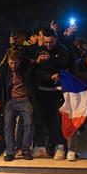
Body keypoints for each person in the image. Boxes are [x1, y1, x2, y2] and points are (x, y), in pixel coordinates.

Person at [32, 27, 70, 160]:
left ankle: (59, 147)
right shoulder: (39, 50)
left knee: (57, 120)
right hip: (42, 91)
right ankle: (40, 147)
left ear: (56, 39)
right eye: (46, 42)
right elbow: (36, 71)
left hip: (58, 92)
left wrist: (50, 60)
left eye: (51, 42)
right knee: (41, 120)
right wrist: (48, 75)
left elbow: (65, 65)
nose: (48, 45)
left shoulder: (63, 50)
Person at [0, 48, 37, 161]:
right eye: (11, 63)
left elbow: (33, 67)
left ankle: (25, 150)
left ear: (19, 61)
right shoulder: (3, 68)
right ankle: (10, 151)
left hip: (25, 99)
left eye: (15, 63)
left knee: (29, 123)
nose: (13, 65)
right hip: (10, 100)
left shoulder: (26, 65)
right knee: (8, 125)